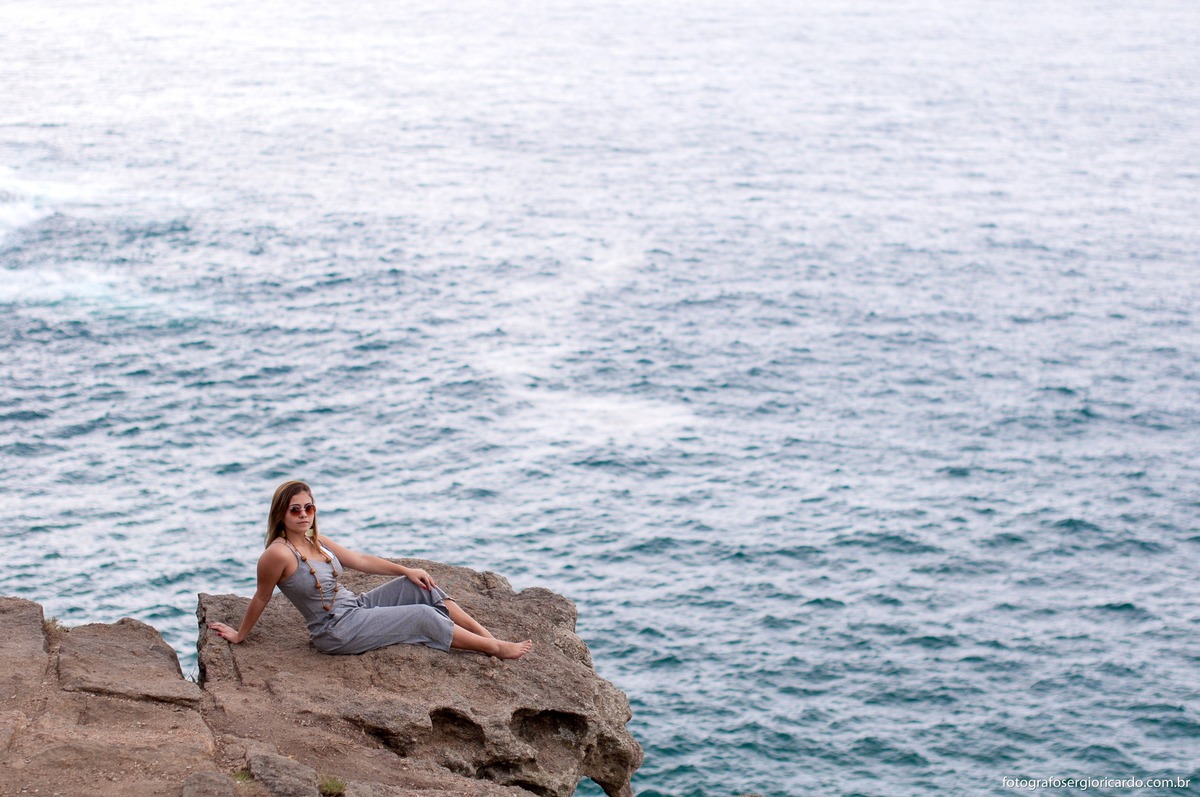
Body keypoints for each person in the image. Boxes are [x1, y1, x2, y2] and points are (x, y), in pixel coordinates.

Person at [208, 480, 533, 659]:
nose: (304, 515)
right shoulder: (277, 555)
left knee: (422, 587)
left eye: (309, 507)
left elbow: (358, 560)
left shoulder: (314, 538)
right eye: (295, 510)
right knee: (422, 615)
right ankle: (495, 649)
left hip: (356, 608)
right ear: (281, 515)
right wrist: (240, 635)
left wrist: (404, 570)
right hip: (335, 631)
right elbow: (261, 597)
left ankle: (488, 636)